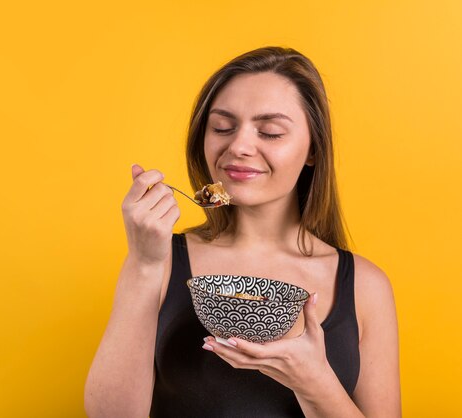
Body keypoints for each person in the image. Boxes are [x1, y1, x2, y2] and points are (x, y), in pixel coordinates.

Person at [84, 46, 400, 417]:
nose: (238, 146)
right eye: (222, 127)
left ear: (313, 149)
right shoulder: (161, 259)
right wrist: (143, 263)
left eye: (270, 132)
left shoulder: (364, 285)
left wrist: (314, 382)